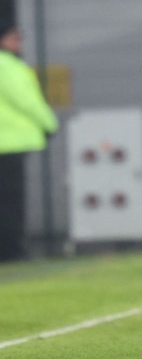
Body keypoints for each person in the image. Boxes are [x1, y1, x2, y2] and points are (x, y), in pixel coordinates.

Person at [0, 22, 58, 262]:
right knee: (11, 202)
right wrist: (49, 123)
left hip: (9, 142)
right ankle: (12, 251)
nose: (18, 42)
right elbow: (26, 100)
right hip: (10, 143)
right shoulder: (6, 65)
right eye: (15, 38)